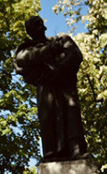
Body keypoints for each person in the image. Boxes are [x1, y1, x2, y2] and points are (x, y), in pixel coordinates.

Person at [14, 15, 89, 162]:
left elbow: (75, 55)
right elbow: (24, 59)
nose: (39, 26)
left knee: (71, 115)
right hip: (46, 88)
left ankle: (76, 149)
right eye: (35, 25)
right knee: (49, 118)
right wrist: (50, 50)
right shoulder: (26, 48)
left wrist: (58, 70)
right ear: (29, 31)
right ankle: (52, 153)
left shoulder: (62, 40)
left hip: (65, 85)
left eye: (40, 23)